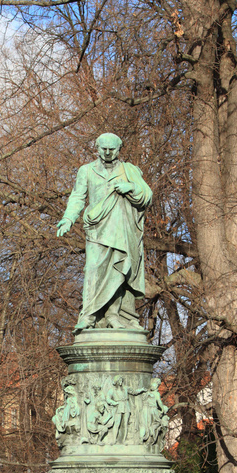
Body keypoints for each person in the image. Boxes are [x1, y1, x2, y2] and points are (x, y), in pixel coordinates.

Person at [57, 133, 152, 330]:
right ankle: (89, 316)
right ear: (97, 148)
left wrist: (131, 187)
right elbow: (77, 197)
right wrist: (68, 218)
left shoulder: (129, 170)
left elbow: (146, 195)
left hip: (121, 229)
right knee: (93, 270)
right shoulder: (86, 170)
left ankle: (113, 316)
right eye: (103, 148)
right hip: (96, 229)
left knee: (119, 270)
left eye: (112, 149)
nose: (108, 152)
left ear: (119, 149)